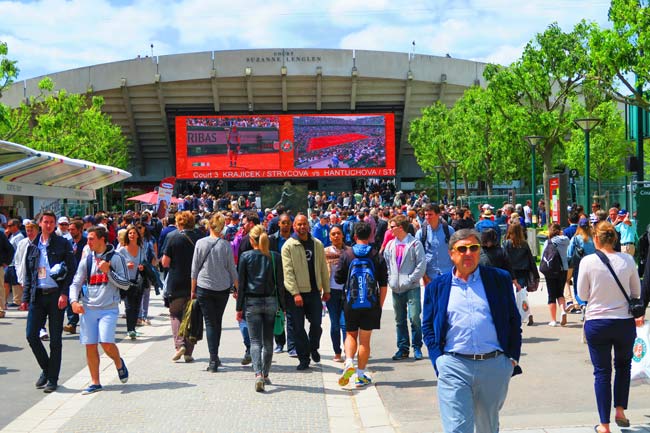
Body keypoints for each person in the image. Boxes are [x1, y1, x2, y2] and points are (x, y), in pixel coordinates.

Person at [422, 229, 522, 432]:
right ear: (451, 253)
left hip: (494, 365)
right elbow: (428, 326)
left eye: (474, 248)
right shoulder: (437, 287)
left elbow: (513, 320)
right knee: (457, 427)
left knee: (488, 427)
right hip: (454, 364)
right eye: (462, 249)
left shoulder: (499, 279)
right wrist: (438, 359)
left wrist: (511, 359)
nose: (468, 253)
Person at [577, 222, 641, 432]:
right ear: (614, 238)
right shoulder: (628, 260)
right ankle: (620, 409)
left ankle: (604, 424)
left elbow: (583, 295)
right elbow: (636, 293)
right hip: (623, 322)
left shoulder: (588, 262)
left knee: (602, 372)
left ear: (596, 238)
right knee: (623, 366)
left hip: (597, 322)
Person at [69, 226, 131, 394]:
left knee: (106, 342)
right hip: (88, 309)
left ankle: (118, 362)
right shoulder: (87, 260)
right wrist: (74, 301)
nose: (87, 242)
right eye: (87, 239)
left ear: (102, 239)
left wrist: (108, 271)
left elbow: (125, 284)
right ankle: (95, 382)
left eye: (91, 238)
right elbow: (76, 282)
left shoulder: (116, 258)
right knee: (90, 345)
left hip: (108, 308)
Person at [21, 211, 76, 393]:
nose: (49, 225)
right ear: (40, 224)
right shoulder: (33, 246)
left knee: (55, 340)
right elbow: (29, 274)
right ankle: (46, 368)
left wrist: (64, 294)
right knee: (31, 335)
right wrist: (25, 298)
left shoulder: (62, 243)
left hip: (55, 295)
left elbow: (71, 270)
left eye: (52, 222)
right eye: (46, 222)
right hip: (38, 295)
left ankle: (53, 378)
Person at [335, 221, 388, 387]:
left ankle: (349, 361)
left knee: (351, 334)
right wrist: (379, 305)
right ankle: (360, 375)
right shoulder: (376, 255)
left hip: (351, 302)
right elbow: (383, 284)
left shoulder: (347, 254)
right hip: (370, 304)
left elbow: (338, 278)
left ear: (355, 236)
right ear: (370, 235)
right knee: (365, 341)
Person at [236, 225, 285, 391]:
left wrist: (238, 308)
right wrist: (283, 306)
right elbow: (280, 284)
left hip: (251, 301)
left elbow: (241, 285)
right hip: (271, 301)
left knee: (255, 341)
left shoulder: (245, 256)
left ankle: (257, 374)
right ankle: (265, 374)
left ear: (251, 240)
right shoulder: (275, 257)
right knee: (268, 340)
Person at [281, 214, 330, 370]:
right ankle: (304, 358)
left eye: (304, 224)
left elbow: (323, 268)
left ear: (308, 225)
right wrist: (295, 293)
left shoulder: (317, 244)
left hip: (314, 291)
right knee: (298, 327)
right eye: (299, 224)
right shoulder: (288, 246)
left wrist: (326, 289)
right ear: (294, 226)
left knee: (316, 324)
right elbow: (287, 273)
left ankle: (313, 346)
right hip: (296, 294)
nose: (302, 227)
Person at [190, 212, 238, 373]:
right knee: (217, 322)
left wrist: (192, 290)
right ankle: (215, 356)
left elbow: (194, 269)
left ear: (208, 226)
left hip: (204, 287)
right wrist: (238, 287)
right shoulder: (226, 245)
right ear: (222, 227)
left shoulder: (200, 243)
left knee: (210, 322)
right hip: (222, 288)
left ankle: (213, 358)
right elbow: (232, 269)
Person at [383, 214, 426, 360]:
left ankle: (417, 347)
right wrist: (390, 278)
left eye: (392, 227)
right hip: (396, 287)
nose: (390, 229)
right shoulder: (390, 245)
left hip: (411, 287)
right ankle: (403, 348)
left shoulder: (415, 244)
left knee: (414, 318)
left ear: (400, 228)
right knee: (399, 320)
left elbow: (421, 264)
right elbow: (387, 264)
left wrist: (411, 279)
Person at [161, 211, 201, 363]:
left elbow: (165, 262)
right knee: (191, 316)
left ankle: (179, 344)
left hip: (176, 281)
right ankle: (188, 352)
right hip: (195, 282)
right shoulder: (200, 237)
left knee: (175, 313)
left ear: (179, 223)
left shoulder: (172, 237)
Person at [503, 223, 539, 326]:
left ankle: (515, 315)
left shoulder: (506, 244)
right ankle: (527, 314)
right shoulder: (524, 244)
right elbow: (531, 259)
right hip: (523, 270)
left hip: (510, 271)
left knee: (512, 295)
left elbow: (504, 258)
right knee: (522, 293)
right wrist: (535, 274)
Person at [116, 224, 146, 340]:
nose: (132, 235)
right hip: (126, 281)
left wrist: (142, 267)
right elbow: (116, 263)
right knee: (129, 306)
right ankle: (130, 330)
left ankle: (133, 328)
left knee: (137, 305)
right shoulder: (122, 250)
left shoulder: (141, 249)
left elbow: (144, 261)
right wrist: (126, 265)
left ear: (138, 236)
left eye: (134, 233)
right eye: (130, 233)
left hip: (138, 280)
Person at [269, 213, 293, 354]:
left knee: (291, 314)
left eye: (288, 222)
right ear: (278, 224)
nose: (286, 225)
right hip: (276, 280)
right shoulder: (272, 239)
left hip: (291, 279)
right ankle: (279, 342)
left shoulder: (295, 239)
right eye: (283, 222)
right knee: (277, 312)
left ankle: (292, 344)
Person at [324, 224, 347, 362]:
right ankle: (337, 352)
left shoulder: (349, 252)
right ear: (330, 236)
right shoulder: (325, 252)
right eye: (333, 234)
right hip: (331, 292)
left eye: (338, 233)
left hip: (346, 292)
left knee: (345, 324)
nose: (336, 236)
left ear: (343, 235)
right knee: (335, 324)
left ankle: (347, 352)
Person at [416, 204, 454, 285]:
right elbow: (418, 257)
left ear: (438, 215)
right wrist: (425, 277)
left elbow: (455, 251)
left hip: (448, 273)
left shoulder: (449, 230)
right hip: (430, 275)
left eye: (430, 214)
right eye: (426, 214)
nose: (427, 217)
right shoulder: (421, 233)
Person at [541, 224, 570, 326]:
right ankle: (563, 311)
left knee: (551, 295)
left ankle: (553, 320)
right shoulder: (566, 241)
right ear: (559, 231)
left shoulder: (547, 242)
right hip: (563, 269)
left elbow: (543, 257)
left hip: (551, 270)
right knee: (560, 293)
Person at [64, 220, 87, 334]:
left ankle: (90, 322)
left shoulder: (87, 243)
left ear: (80, 230)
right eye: (69, 230)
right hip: (72, 274)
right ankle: (72, 322)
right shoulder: (68, 242)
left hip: (85, 275)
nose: (70, 232)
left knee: (87, 299)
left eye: (73, 229)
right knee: (71, 298)